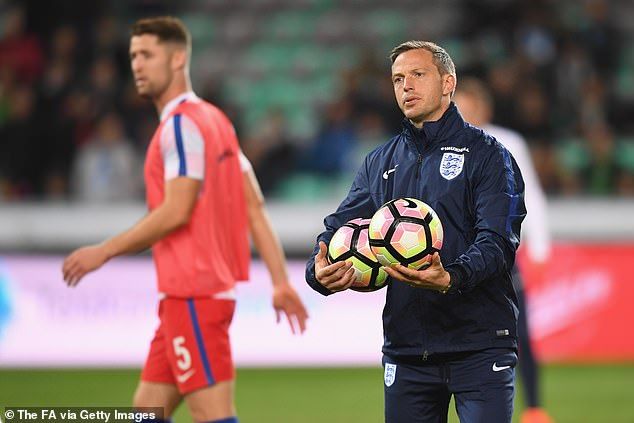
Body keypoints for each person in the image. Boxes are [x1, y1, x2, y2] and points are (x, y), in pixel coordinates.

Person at [62, 16, 308, 423]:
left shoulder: (178, 128)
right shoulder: (215, 121)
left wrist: (104, 251)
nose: (137, 65)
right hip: (191, 296)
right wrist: (280, 281)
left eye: (147, 54)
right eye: (133, 56)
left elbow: (176, 211)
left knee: (213, 416)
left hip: (194, 293)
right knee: (146, 410)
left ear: (178, 59)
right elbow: (254, 206)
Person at [306, 41, 526, 422]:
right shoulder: (380, 161)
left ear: (447, 82)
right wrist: (318, 272)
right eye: (397, 79)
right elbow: (340, 226)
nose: (405, 86)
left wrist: (451, 277)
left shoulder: (489, 155)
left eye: (417, 75)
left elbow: (498, 241)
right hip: (408, 350)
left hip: (480, 345)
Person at [454, 78, 553, 423]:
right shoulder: (445, 149)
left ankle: (535, 408)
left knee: (520, 332)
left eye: (470, 107)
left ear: (484, 109)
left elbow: (532, 198)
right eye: (459, 107)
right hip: (460, 261)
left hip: (501, 258)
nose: (464, 114)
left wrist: (539, 250)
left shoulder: (507, 143)